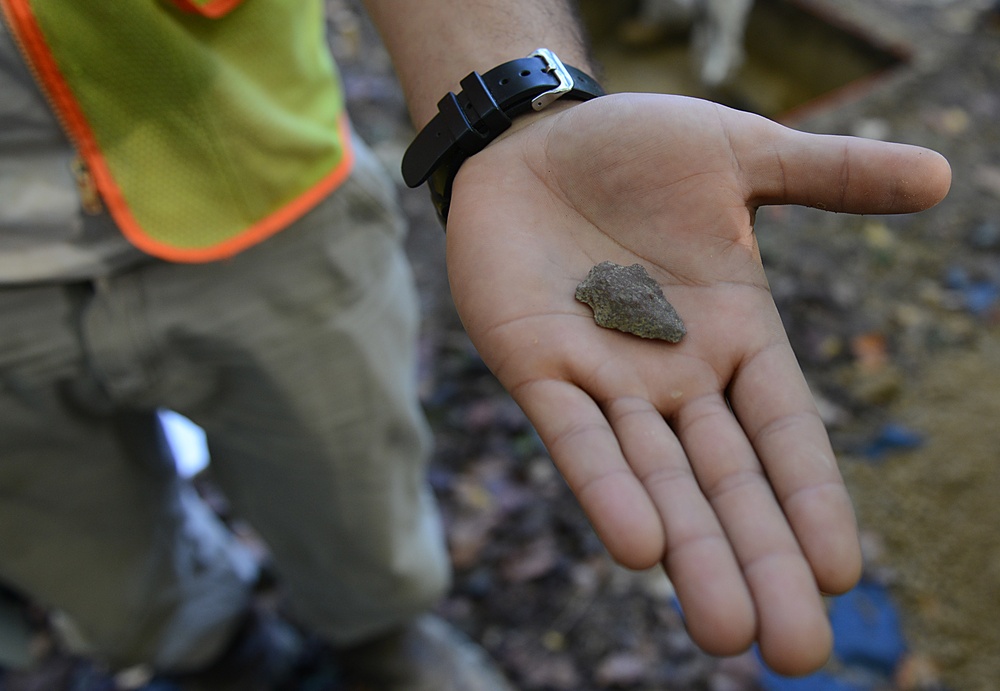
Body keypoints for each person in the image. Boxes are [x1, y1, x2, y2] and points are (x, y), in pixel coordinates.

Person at [0, 0, 951, 688]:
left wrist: (509, 102)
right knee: (85, 550)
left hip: (256, 186)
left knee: (352, 483)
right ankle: (209, 648)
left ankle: (381, 630)